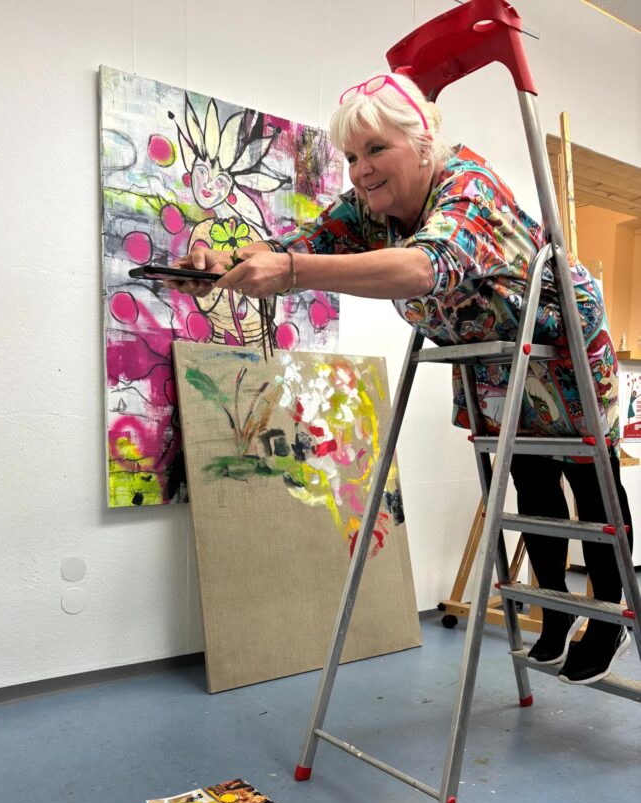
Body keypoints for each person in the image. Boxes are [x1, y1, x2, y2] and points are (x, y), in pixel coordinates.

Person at [168, 72, 634, 686]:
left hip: (560, 344)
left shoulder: (469, 188)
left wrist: (291, 272)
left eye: (375, 149)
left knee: (589, 481)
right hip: (497, 358)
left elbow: (424, 268)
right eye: (351, 156)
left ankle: (608, 619)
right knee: (528, 479)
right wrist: (221, 263)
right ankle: (554, 614)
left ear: (422, 143)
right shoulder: (370, 208)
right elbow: (299, 243)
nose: (361, 170)